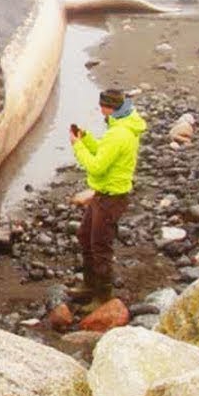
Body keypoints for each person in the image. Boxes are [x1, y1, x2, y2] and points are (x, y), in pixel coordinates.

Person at [68, 88, 147, 313]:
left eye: (102, 106)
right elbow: (104, 153)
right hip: (104, 195)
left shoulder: (119, 133)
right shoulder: (121, 125)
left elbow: (96, 166)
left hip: (111, 197)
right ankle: (89, 284)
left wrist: (77, 146)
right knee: (85, 235)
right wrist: (87, 139)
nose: (100, 110)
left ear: (108, 107)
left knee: (100, 245)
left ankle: (103, 296)